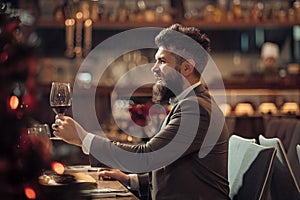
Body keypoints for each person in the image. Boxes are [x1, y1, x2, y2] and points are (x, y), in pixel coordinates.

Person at [52, 23, 230, 200]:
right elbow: (176, 165)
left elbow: (147, 156)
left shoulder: (196, 109)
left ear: (187, 68)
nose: (154, 68)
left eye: (162, 61)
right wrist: (132, 180)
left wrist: (83, 138)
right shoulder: (191, 103)